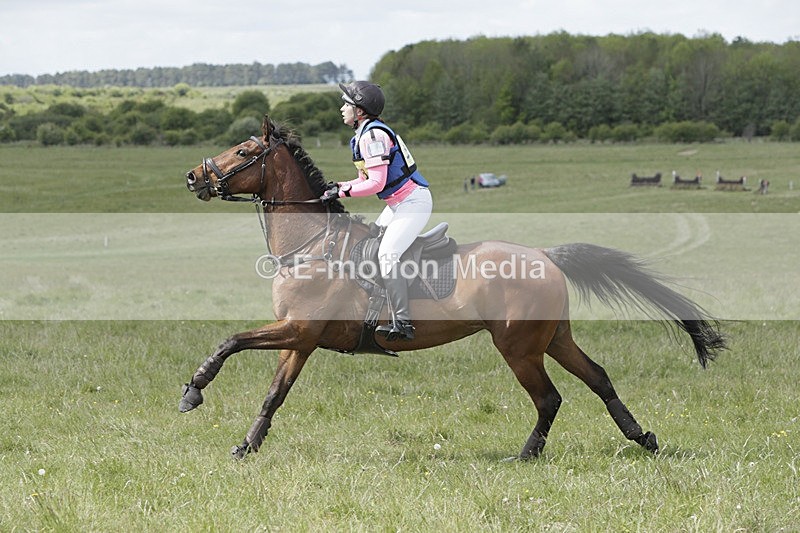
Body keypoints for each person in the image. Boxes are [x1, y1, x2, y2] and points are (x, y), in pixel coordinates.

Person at [320, 81, 432, 341]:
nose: (342, 109)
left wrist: (342, 193)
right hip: (398, 204)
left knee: (387, 254)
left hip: (412, 203)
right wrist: (340, 186)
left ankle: (403, 322)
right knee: (369, 241)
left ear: (359, 111)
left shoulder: (373, 137)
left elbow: (376, 184)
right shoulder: (362, 135)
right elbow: (364, 178)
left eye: (346, 104)